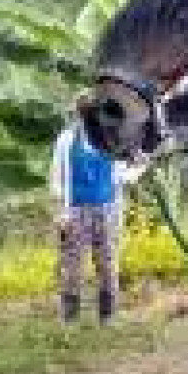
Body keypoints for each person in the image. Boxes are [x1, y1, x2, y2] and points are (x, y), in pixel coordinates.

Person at [50, 115, 141, 323]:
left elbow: (123, 175)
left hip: (108, 208)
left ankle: (107, 316)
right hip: (74, 208)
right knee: (70, 263)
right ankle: (69, 317)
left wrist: (139, 167)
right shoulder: (66, 140)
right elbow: (57, 177)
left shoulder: (111, 139)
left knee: (108, 262)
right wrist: (61, 211)